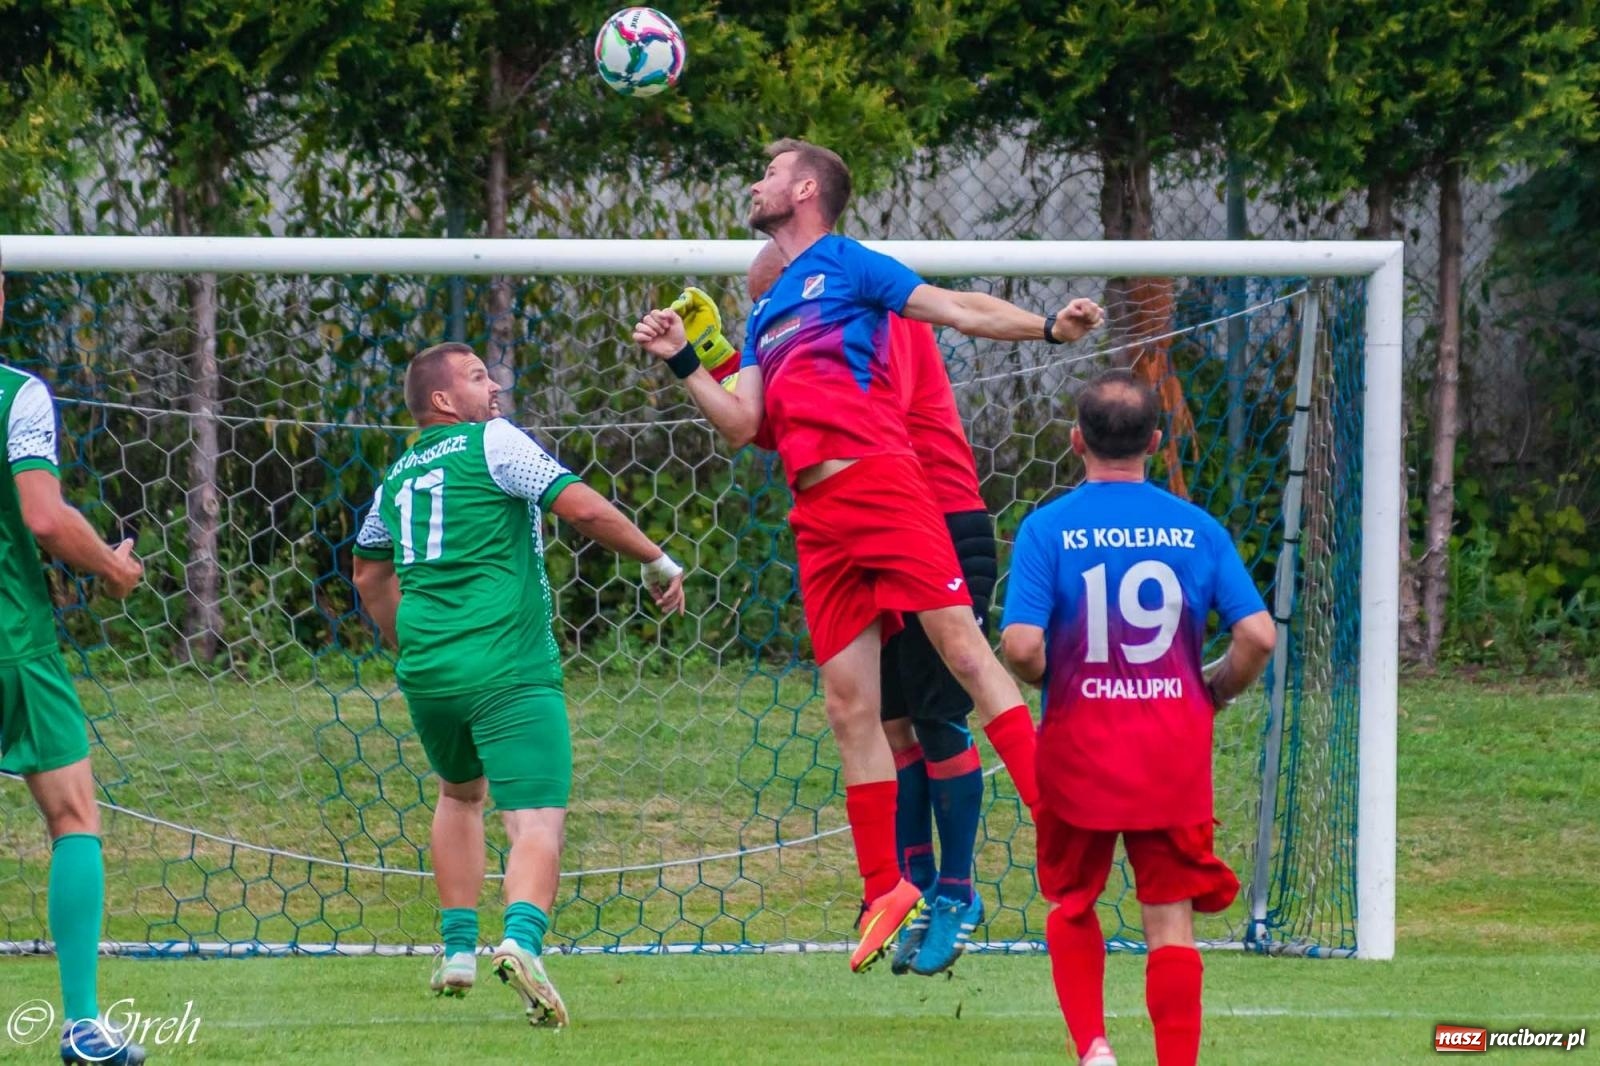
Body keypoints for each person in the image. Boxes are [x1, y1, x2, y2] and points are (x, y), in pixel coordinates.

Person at [632, 138, 1104, 973]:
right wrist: (681, 362)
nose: (756, 181)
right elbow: (744, 425)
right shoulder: (767, 315)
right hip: (816, 514)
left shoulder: (851, 266)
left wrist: (1045, 328)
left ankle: (1055, 818)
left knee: (962, 654)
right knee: (850, 709)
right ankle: (889, 884)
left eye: (770, 172)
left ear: (806, 189)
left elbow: (955, 308)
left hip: (883, 483)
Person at [351, 343, 686, 1028]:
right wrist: (655, 560)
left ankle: (455, 950)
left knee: (458, 793)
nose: (496, 385)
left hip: (429, 673)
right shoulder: (493, 442)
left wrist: (404, 645)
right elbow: (583, 509)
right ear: (444, 402)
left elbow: (367, 573)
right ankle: (523, 945)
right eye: (478, 377)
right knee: (535, 819)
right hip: (508, 663)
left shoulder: (397, 478)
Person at [999, 369, 1277, 1066]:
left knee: (1071, 900)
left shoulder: (1047, 529)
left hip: (1079, 745)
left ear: (1074, 442)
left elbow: (1022, 647)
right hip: (1170, 748)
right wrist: (1213, 691)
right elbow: (1260, 637)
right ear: (1156, 440)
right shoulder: (1197, 529)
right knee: (1169, 913)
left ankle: (1094, 1048)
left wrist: (1056, 680)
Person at [741, 242, 993, 977]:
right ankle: (905, 888)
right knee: (885, 719)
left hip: (934, 515)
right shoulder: (800, 329)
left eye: (772, 301)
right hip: (863, 521)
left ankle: (958, 892)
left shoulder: (873, 318)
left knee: (940, 713)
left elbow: (854, 418)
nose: (771, 318)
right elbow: (773, 422)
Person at [0, 274, 148, 1065]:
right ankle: (84, 1025)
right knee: (73, 816)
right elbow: (44, 516)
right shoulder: (17, 394)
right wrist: (113, 571)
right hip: (11, 640)